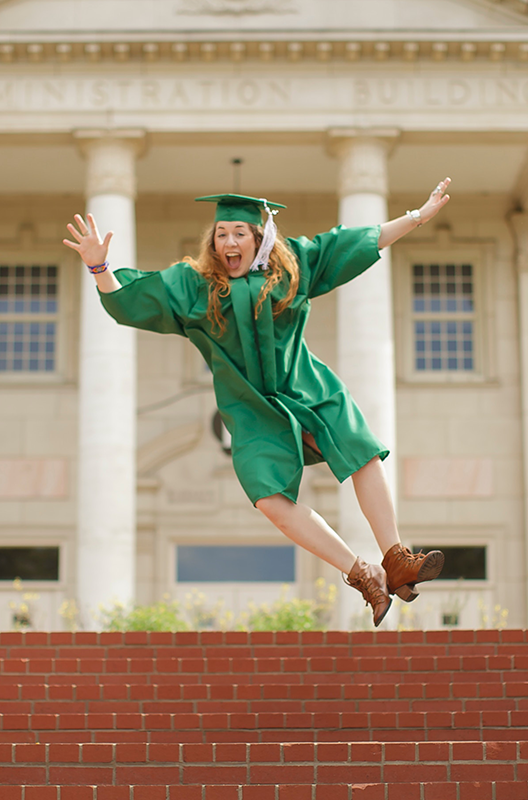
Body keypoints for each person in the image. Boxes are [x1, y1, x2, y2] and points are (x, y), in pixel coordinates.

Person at [64, 179, 452, 626]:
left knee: (363, 451)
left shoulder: (292, 270)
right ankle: (361, 573)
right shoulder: (194, 286)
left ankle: (395, 557)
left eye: (239, 233)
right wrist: (100, 268)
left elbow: (351, 244)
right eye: (221, 233)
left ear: (260, 237)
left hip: (308, 386)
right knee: (269, 498)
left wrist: (418, 217)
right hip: (250, 409)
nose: (229, 241)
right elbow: (133, 300)